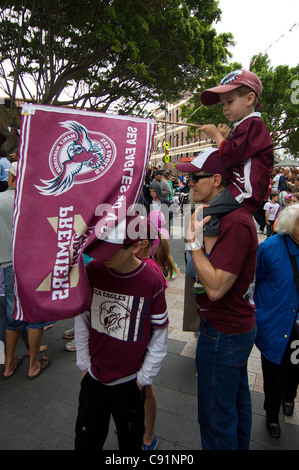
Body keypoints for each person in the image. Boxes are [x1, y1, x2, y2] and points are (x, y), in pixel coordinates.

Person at [176, 149, 257, 450]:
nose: (189, 184)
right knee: (234, 406)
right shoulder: (226, 214)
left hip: (224, 333)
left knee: (215, 419)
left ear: (217, 179)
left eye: (194, 178)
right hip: (231, 330)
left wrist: (192, 243)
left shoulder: (234, 221)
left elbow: (216, 288)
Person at [74, 213, 168, 450]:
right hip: (94, 378)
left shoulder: (151, 280)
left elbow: (159, 333)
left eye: (111, 249)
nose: (103, 256)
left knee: (130, 443)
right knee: (86, 440)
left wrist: (143, 379)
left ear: (136, 246)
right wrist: (84, 365)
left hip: (129, 383)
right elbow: (82, 320)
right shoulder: (93, 270)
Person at [197, 69, 273, 253]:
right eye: (223, 104)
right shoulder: (244, 126)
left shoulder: (254, 124)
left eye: (230, 102)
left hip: (246, 191)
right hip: (238, 188)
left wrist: (216, 135)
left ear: (249, 99)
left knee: (206, 212)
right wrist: (226, 137)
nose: (224, 108)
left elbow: (232, 156)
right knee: (209, 210)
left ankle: (211, 255)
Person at [1, 162, 52, 379]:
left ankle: (9, 364)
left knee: (13, 315)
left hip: (8, 265)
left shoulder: (1, 201)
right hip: (33, 263)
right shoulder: (35, 201)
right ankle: (33, 364)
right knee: (35, 315)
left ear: (11, 178)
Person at [134, 215, 178, 450]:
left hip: (143, 344)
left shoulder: (150, 270)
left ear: (139, 245)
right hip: (131, 344)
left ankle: (149, 435)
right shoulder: (142, 265)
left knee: (146, 389)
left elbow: (158, 322)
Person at [254, 204, 299, 438]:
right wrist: (259, 313)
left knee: (295, 367)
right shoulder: (270, 247)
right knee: (274, 374)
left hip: (297, 329)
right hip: (274, 326)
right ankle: (272, 415)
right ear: (290, 224)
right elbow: (255, 279)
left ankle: (289, 397)